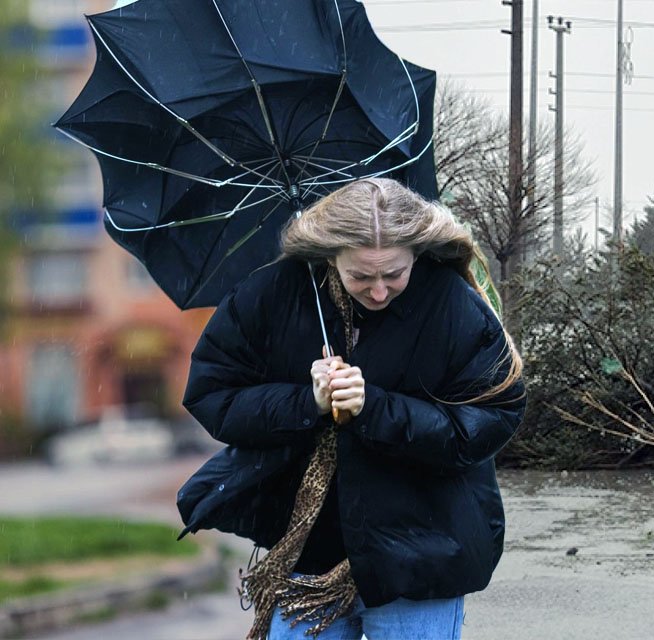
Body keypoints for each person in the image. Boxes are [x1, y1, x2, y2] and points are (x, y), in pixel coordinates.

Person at [175, 178, 525, 640]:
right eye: (361, 276)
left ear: (416, 254)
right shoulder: (272, 295)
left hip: (421, 556)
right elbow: (213, 396)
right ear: (329, 255)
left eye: (394, 274)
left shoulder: (452, 305)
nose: (379, 291)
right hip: (307, 559)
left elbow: (484, 425)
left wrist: (375, 407)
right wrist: (308, 402)